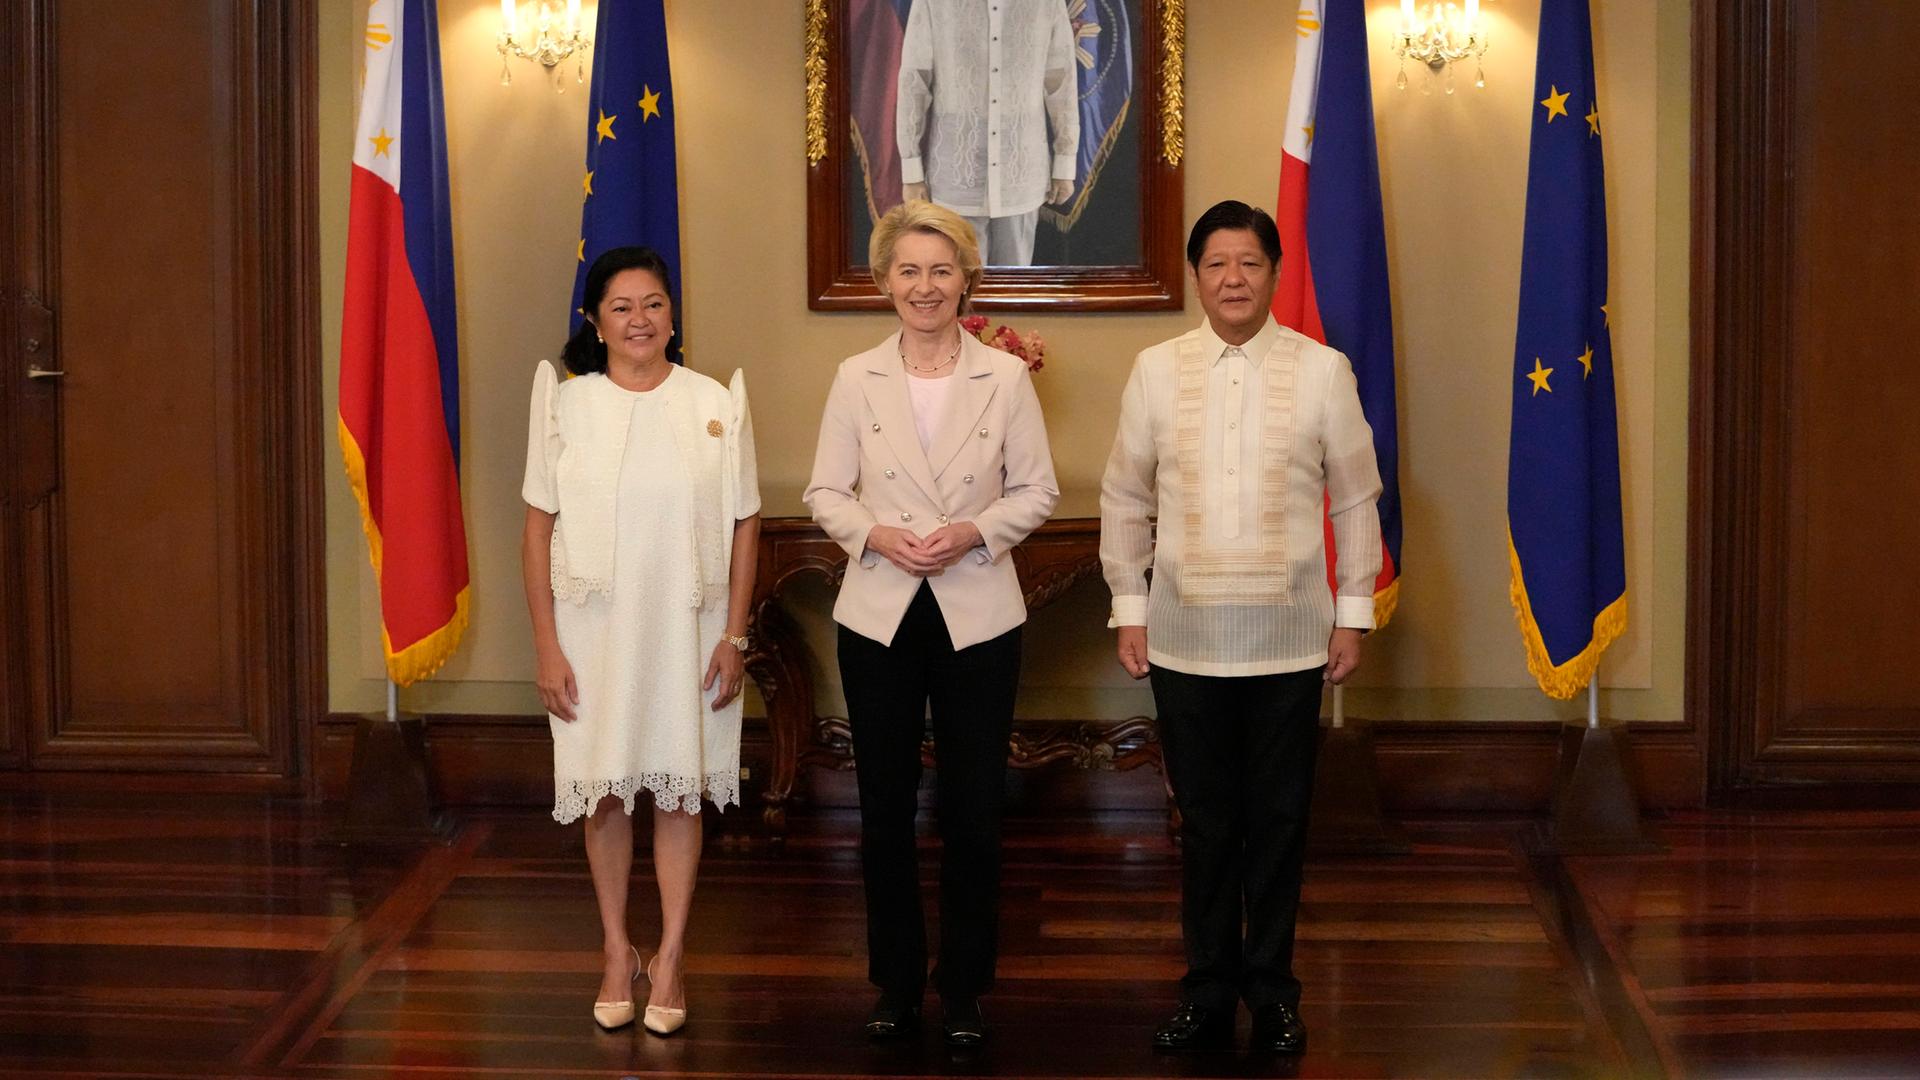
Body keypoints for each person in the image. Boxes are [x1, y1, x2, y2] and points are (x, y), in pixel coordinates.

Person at [1099, 201, 1383, 1055]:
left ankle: (1275, 991)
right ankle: (1208, 990)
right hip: (1183, 639)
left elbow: (1358, 497)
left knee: (1282, 822)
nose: (1233, 278)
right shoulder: (1155, 369)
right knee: (1209, 825)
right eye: (1217, 263)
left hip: (1293, 638)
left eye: (1250, 263)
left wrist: (1355, 612)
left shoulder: (1323, 370)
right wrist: (1129, 606)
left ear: (1274, 273)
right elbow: (1124, 497)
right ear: (1197, 276)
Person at [804, 200, 1059, 1045]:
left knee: (973, 807)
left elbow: (1037, 492)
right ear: (884, 283)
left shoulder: (1006, 376)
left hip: (977, 609)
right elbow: (825, 494)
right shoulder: (854, 377)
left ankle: (965, 988)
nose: (926, 286)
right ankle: (897, 982)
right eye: (909, 271)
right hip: (878, 611)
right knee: (883, 807)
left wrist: (973, 533)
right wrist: (874, 533)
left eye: (941, 270)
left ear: (967, 280)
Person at [520, 246, 761, 1037]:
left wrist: (734, 635)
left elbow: (744, 521)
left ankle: (675, 953)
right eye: (621, 306)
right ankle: (617, 948)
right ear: (595, 320)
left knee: (681, 789)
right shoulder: (566, 404)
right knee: (609, 788)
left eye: (653, 303)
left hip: (690, 627)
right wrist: (547, 646)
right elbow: (536, 529)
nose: (639, 320)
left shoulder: (712, 402)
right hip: (594, 632)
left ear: (672, 315)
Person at [896, 0, 1079, 266]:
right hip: (957, 176)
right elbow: (914, 82)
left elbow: (1061, 81)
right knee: (960, 289)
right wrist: (911, 170)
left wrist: (1065, 160)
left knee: (1015, 291)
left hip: (1020, 174)